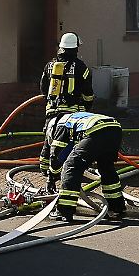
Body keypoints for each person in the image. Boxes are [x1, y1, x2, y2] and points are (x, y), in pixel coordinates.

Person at [42, 111, 125, 222]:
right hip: (114, 129)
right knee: (106, 167)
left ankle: (64, 211)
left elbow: (55, 156)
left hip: (95, 130)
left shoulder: (60, 126)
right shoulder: (72, 119)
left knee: (71, 166)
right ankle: (117, 206)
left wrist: (52, 177)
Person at [38, 33, 94, 172]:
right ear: (75, 48)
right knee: (71, 142)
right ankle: (67, 169)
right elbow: (88, 93)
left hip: (52, 112)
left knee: (49, 139)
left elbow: (43, 88)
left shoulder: (50, 65)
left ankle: (45, 169)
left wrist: (50, 102)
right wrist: (87, 108)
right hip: (72, 114)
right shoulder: (81, 67)